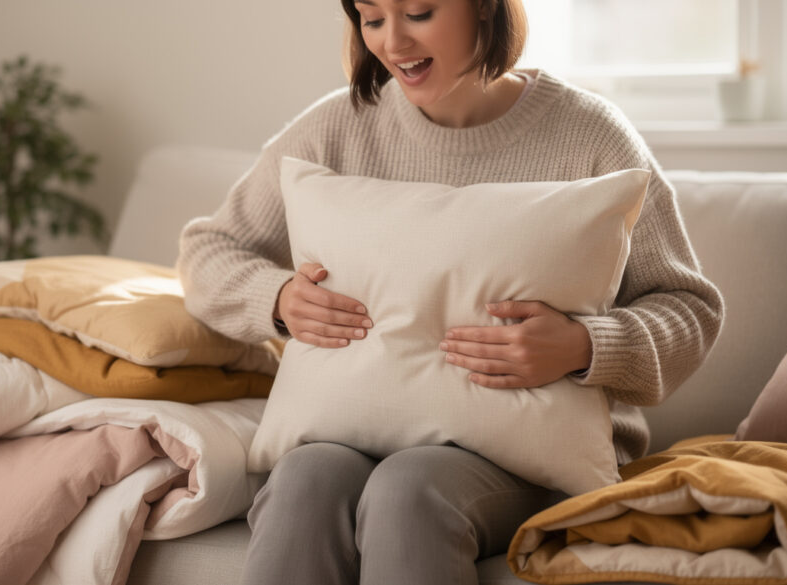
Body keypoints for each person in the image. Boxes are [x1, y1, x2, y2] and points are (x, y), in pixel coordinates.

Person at [176, 0, 725, 583]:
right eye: (372, 17)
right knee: (303, 480)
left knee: (410, 486)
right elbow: (209, 249)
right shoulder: (333, 128)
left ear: (485, 8)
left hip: (524, 456)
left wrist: (584, 345)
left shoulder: (590, 135)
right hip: (348, 433)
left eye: (418, 12)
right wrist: (279, 297)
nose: (392, 43)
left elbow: (689, 308)